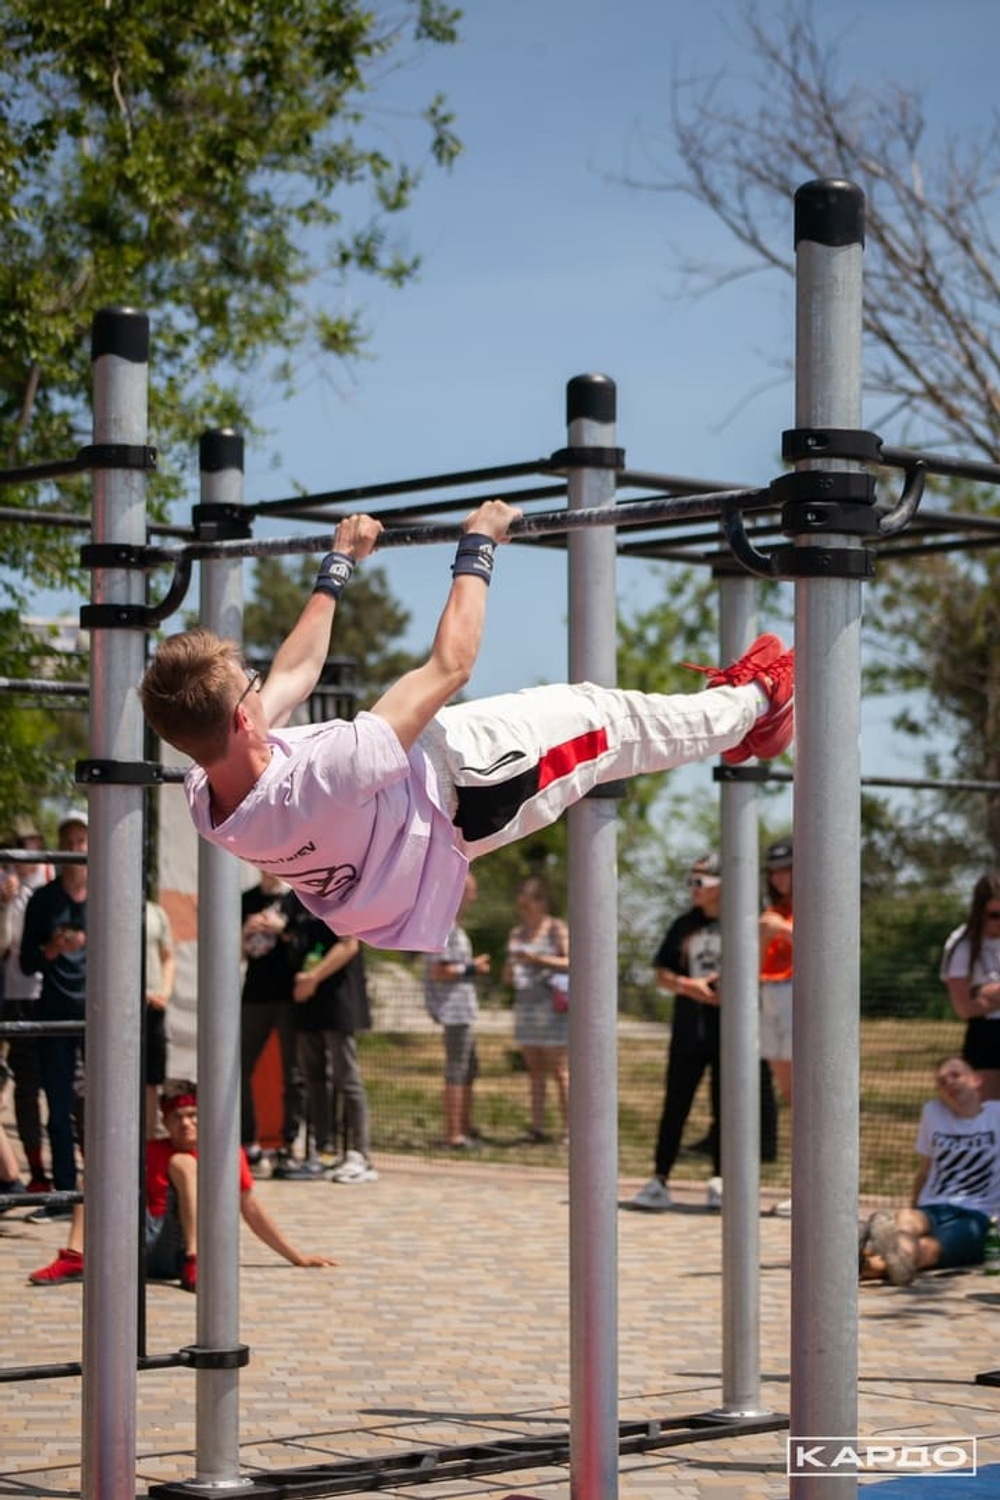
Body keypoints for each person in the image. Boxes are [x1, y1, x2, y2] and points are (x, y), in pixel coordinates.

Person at [138, 503, 796, 955]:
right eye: (250, 688)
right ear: (243, 718)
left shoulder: (207, 798)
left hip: (424, 803)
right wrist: (479, 542)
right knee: (610, 721)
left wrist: (337, 564)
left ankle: (734, 714)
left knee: (602, 715)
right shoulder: (327, 772)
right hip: (478, 781)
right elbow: (451, 666)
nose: (261, 685)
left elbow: (294, 673)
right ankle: (758, 706)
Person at [29, 1078, 336, 1288]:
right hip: (145, 1244)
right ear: (166, 1121)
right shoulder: (151, 1149)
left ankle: (193, 1258)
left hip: (186, 1244)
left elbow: (250, 1208)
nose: (187, 1123)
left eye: (193, 1115)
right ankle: (75, 1257)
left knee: (184, 1163)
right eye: (178, 1117)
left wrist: (297, 1257)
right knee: (101, 1168)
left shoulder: (225, 1152)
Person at [626, 853, 725, 1212]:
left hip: (731, 1032)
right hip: (688, 1030)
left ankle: (721, 1180)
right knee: (675, 1104)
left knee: (727, 1106)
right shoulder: (684, 925)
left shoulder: (745, 922)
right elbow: (661, 973)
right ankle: (660, 1179)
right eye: (690, 881)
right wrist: (690, 986)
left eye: (700, 882)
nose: (693, 889)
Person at [859, 1055, 1000, 1286]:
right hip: (933, 1206)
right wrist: (914, 1202)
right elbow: (925, 1170)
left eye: (956, 1075)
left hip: (977, 1216)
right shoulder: (933, 1113)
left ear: (976, 1080)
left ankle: (870, 1263)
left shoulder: (996, 1115)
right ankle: (891, 1260)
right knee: (907, 1218)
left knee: (929, 1247)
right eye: (942, 1082)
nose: (949, 1083)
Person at [19, 810, 88, 1213]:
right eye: (68, 842)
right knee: (58, 1105)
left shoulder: (111, 891)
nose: (75, 849)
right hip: (55, 1011)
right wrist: (54, 948)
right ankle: (65, 1192)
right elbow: (27, 962)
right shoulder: (44, 900)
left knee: (102, 1106)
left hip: (100, 1014)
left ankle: (102, 1190)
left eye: (81, 841)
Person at [287, 899, 376, 1182]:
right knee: (313, 1078)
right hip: (307, 1003)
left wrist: (313, 977)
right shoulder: (297, 896)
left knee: (346, 1079)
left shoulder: (340, 890)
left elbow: (350, 945)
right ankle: (323, 1151)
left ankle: (360, 1155)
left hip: (339, 1003)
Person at [0, 816, 55, 1192]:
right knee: (24, 1086)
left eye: (31, 842)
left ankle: (68, 1175)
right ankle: (33, 1171)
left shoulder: (53, 881)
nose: (25, 850)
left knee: (59, 1085)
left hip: (50, 993)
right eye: (19, 843)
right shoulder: (8, 886)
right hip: (14, 993)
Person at [240, 871, 305, 1171]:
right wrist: (245, 932)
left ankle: (289, 1144)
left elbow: (305, 944)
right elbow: (234, 952)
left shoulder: (297, 897)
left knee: (293, 1072)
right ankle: (247, 1142)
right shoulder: (247, 899)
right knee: (240, 1066)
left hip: (290, 995)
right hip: (255, 993)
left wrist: (282, 928)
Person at [424, 871, 489, 1148]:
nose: (473, 896)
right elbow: (440, 971)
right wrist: (473, 968)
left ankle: (465, 1126)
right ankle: (454, 1135)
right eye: (470, 890)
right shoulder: (445, 927)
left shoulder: (455, 927)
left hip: (464, 1010)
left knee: (469, 1069)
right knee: (456, 1069)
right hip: (454, 1012)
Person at [504, 876, 570, 1145]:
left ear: (541, 902)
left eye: (529, 904)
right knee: (535, 1071)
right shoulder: (516, 933)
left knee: (560, 1071)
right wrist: (511, 964)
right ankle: (537, 1126)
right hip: (526, 1005)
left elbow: (570, 961)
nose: (525, 910)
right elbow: (508, 975)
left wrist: (536, 958)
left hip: (553, 1007)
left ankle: (570, 1129)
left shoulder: (557, 928)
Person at [940, 872, 1000, 1101]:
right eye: (995, 914)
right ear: (979, 911)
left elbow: (974, 999)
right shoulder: (962, 943)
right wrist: (977, 997)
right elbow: (964, 1008)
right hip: (987, 1036)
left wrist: (983, 991)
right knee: (989, 1114)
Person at [760, 837, 794, 1217]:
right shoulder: (775, 909)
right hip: (769, 992)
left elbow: (828, 949)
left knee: (804, 1096)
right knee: (790, 1096)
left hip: (795, 992)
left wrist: (782, 931)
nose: (780, 877)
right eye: (775, 871)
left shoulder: (814, 902)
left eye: (787, 869)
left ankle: (809, 1187)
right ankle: (797, 1185)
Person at [144, 897, 176, 1138]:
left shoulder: (155, 912)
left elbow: (168, 956)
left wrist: (164, 991)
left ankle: (149, 1135)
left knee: (152, 1075)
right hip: (116, 1008)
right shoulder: (103, 903)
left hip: (153, 1006)